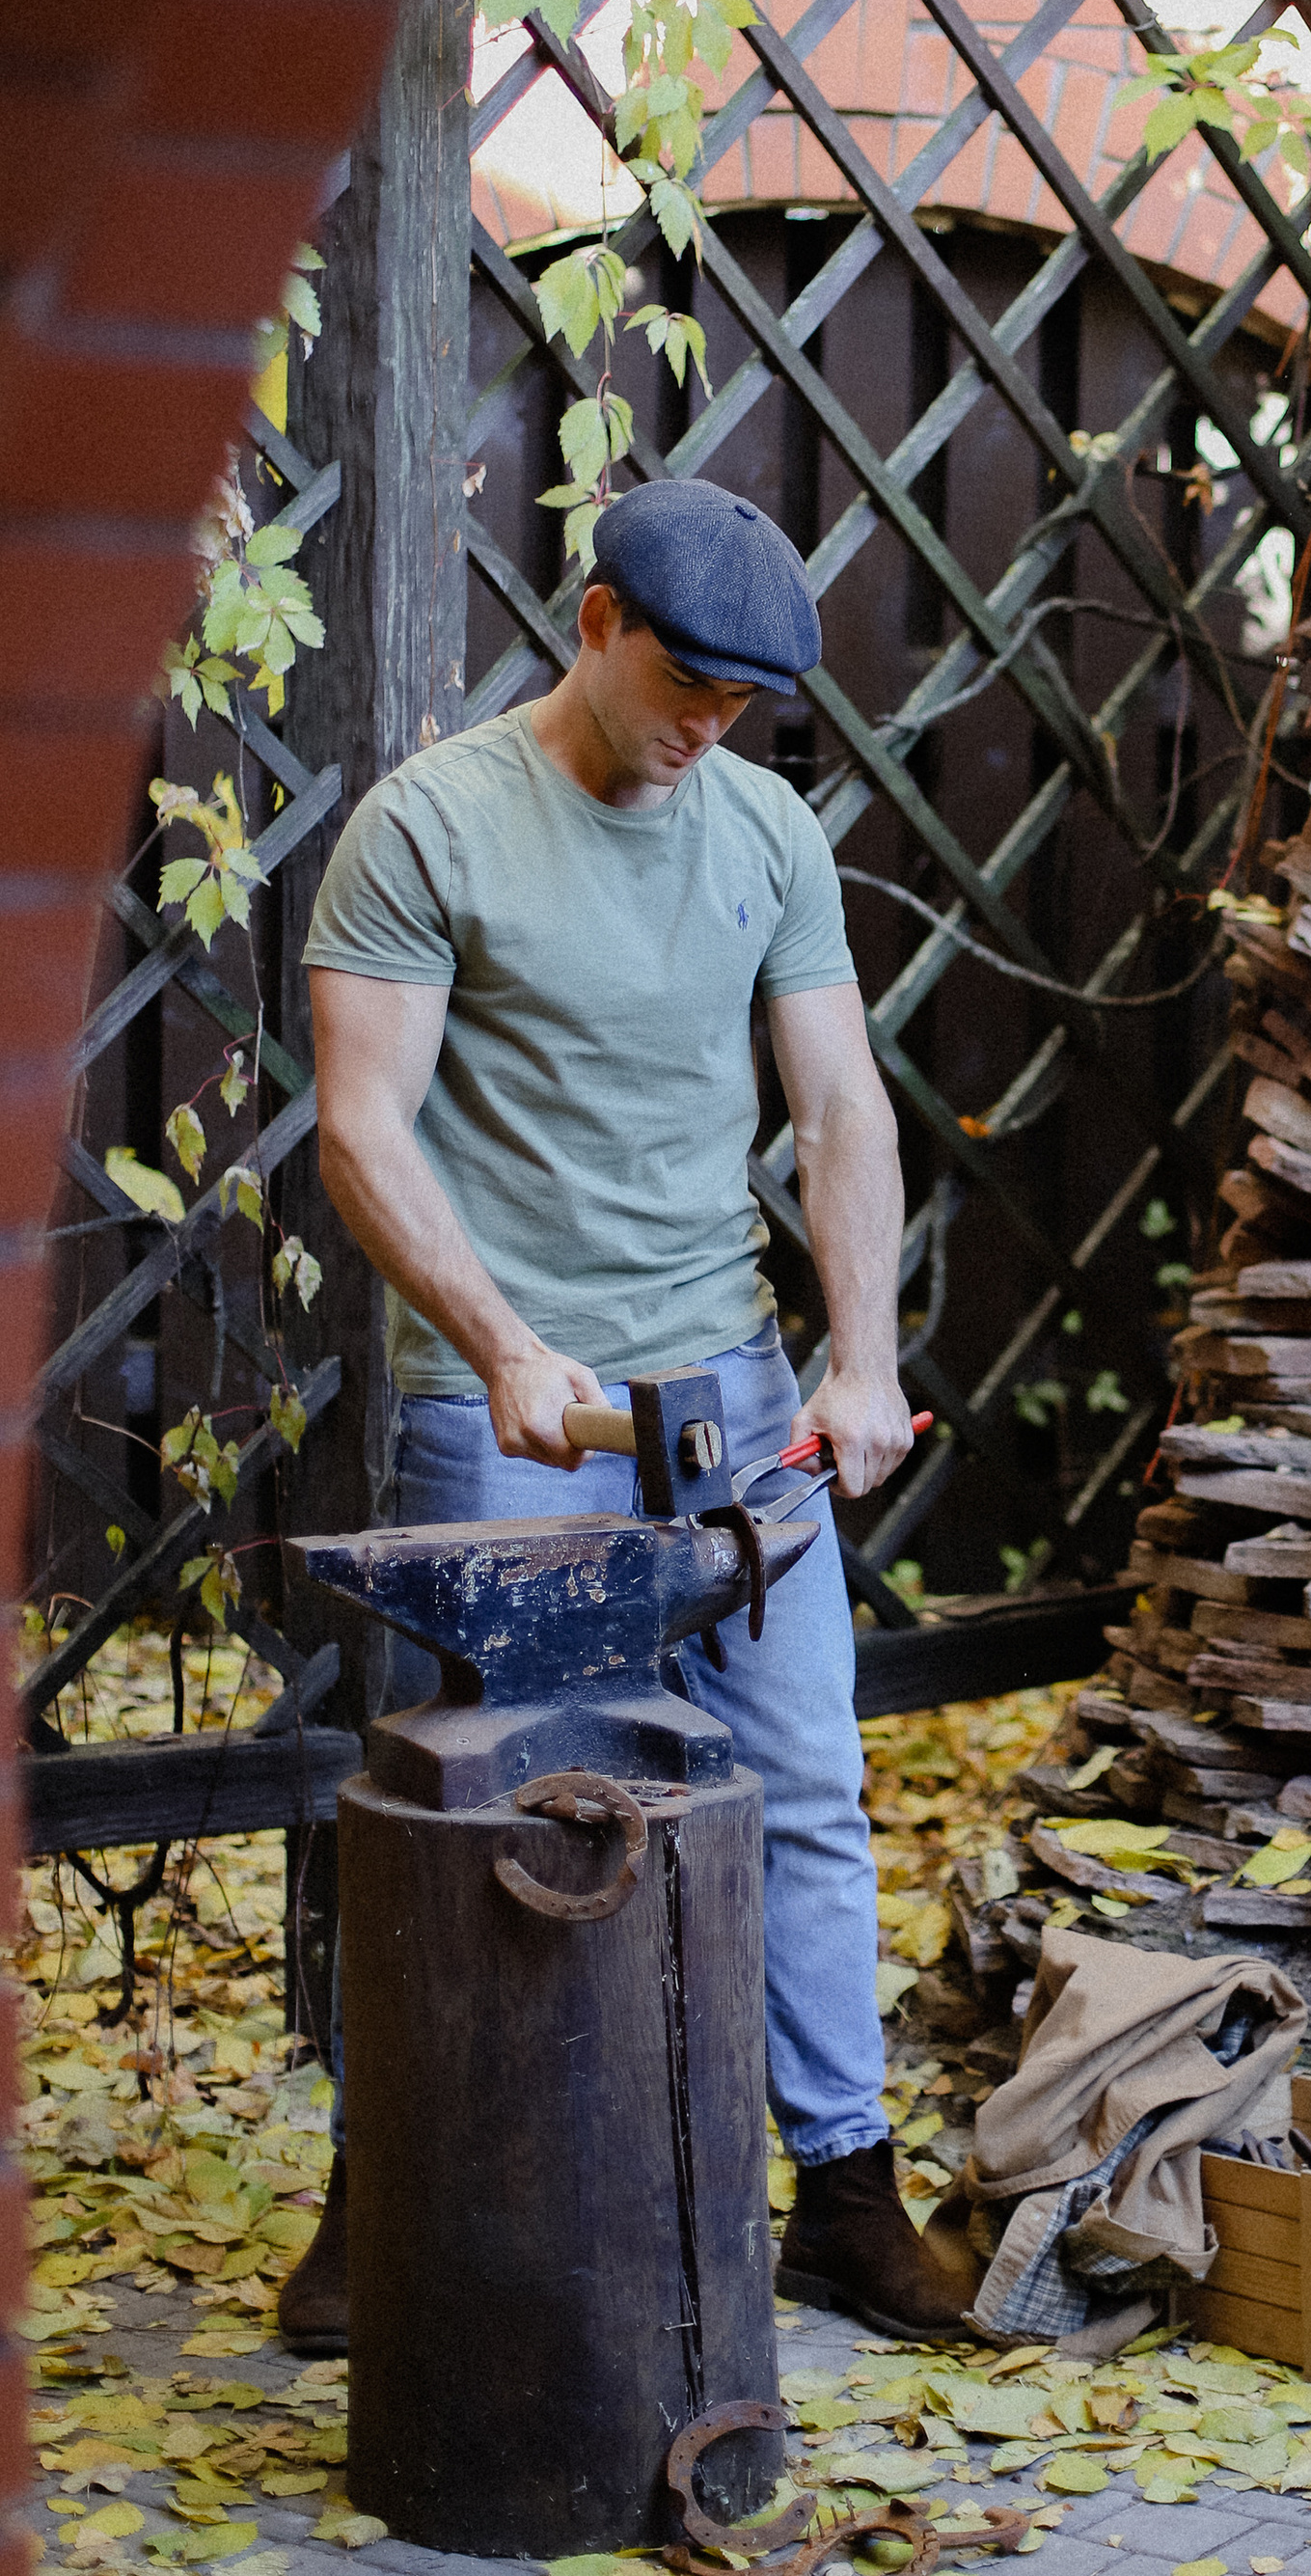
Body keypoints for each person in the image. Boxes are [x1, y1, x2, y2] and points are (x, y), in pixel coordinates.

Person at [275, 477, 974, 2349]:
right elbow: (362, 1123)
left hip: (734, 1395)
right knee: (466, 1802)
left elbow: (839, 1113)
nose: (707, 730)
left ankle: (841, 2190)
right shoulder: (428, 828)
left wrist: (861, 1355)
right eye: (683, 685)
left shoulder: (761, 834)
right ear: (595, 624)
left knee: (807, 1785)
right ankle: (385, 2194)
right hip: (507, 1411)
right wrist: (501, 1341)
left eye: (743, 705)